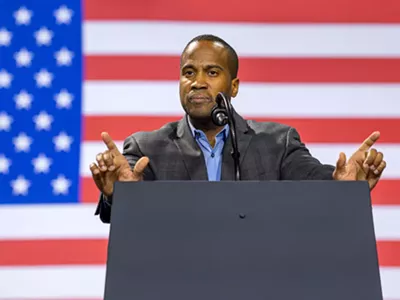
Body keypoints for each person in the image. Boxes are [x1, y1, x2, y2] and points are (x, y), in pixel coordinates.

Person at [90, 34, 387, 224]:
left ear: (233, 86)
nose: (198, 81)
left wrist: (344, 186)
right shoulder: (146, 148)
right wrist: (119, 194)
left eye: (212, 72)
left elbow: (316, 186)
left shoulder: (277, 143)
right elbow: (120, 214)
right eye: (189, 72)